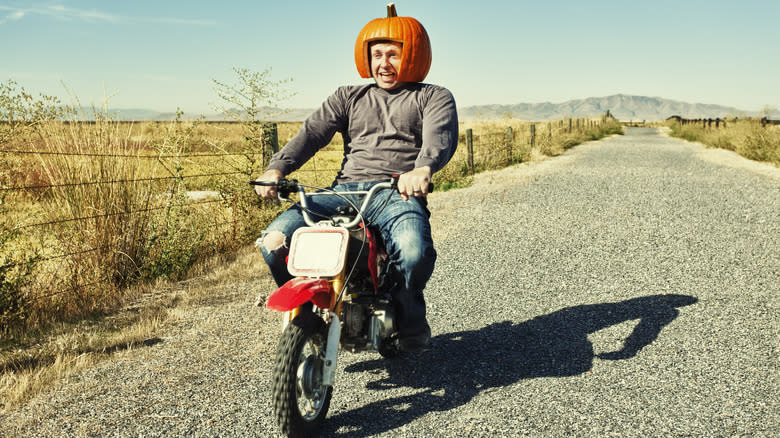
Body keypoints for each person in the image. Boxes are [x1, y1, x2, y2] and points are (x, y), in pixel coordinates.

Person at [254, 5, 458, 352]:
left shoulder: (433, 96)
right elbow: (312, 134)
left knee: (413, 253)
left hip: (396, 193)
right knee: (273, 243)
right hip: (343, 192)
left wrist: (422, 169)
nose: (384, 63)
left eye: (393, 54)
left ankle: (409, 313)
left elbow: (439, 138)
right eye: (377, 54)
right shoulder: (348, 96)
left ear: (413, 55)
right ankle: (310, 316)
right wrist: (277, 168)